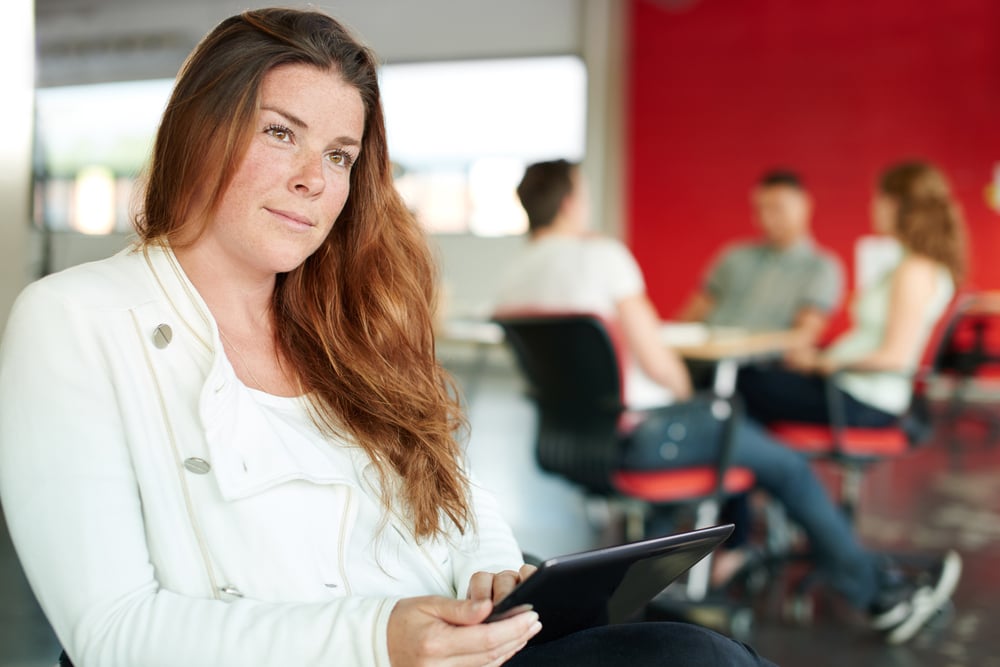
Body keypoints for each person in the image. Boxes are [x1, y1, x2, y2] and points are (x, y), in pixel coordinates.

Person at [0, 9, 775, 667]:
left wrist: (491, 573)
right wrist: (377, 637)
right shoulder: (74, 319)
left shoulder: (352, 326)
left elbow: (460, 503)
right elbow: (112, 632)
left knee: (699, 653)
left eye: (339, 155)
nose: (314, 178)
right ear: (201, 129)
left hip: (457, 651)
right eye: (280, 132)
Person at [494, 159, 962, 645]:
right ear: (572, 201)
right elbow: (661, 366)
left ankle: (674, 572)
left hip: (571, 442)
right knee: (785, 465)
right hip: (650, 434)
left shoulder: (513, 275)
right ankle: (879, 594)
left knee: (738, 423)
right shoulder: (602, 257)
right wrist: (689, 398)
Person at [736, 160, 965, 429]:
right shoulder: (908, 265)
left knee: (744, 383)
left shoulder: (914, 271)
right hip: (848, 387)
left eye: (878, 199)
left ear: (898, 205)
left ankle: (762, 455)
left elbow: (895, 358)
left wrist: (822, 362)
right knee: (758, 380)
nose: (872, 207)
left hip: (864, 400)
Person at [679, 170, 844, 346]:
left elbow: (804, 335)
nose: (766, 218)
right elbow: (693, 313)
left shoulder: (821, 268)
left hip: (763, 360)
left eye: (776, 209)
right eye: (760, 210)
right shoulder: (734, 256)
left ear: (805, 205)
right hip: (703, 353)